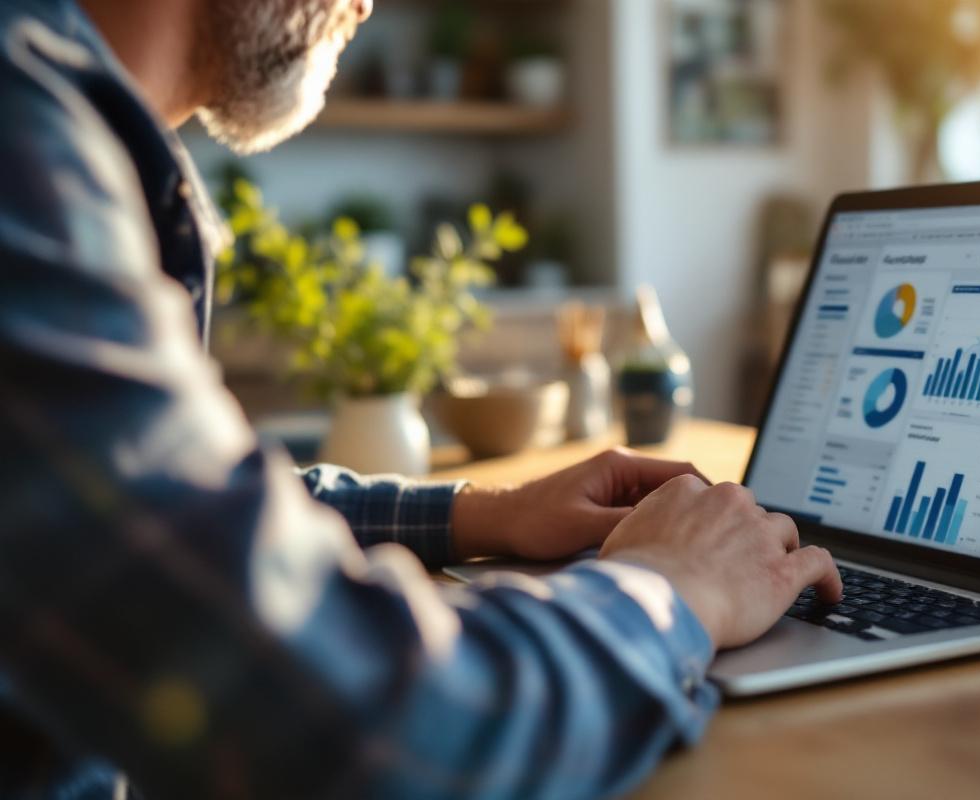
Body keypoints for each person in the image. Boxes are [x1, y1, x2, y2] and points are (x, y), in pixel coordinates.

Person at [0, 0, 843, 797]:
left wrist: (487, 514)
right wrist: (674, 589)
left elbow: (184, 514)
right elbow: (381, 733)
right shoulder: (21, 153)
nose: (367, 6)